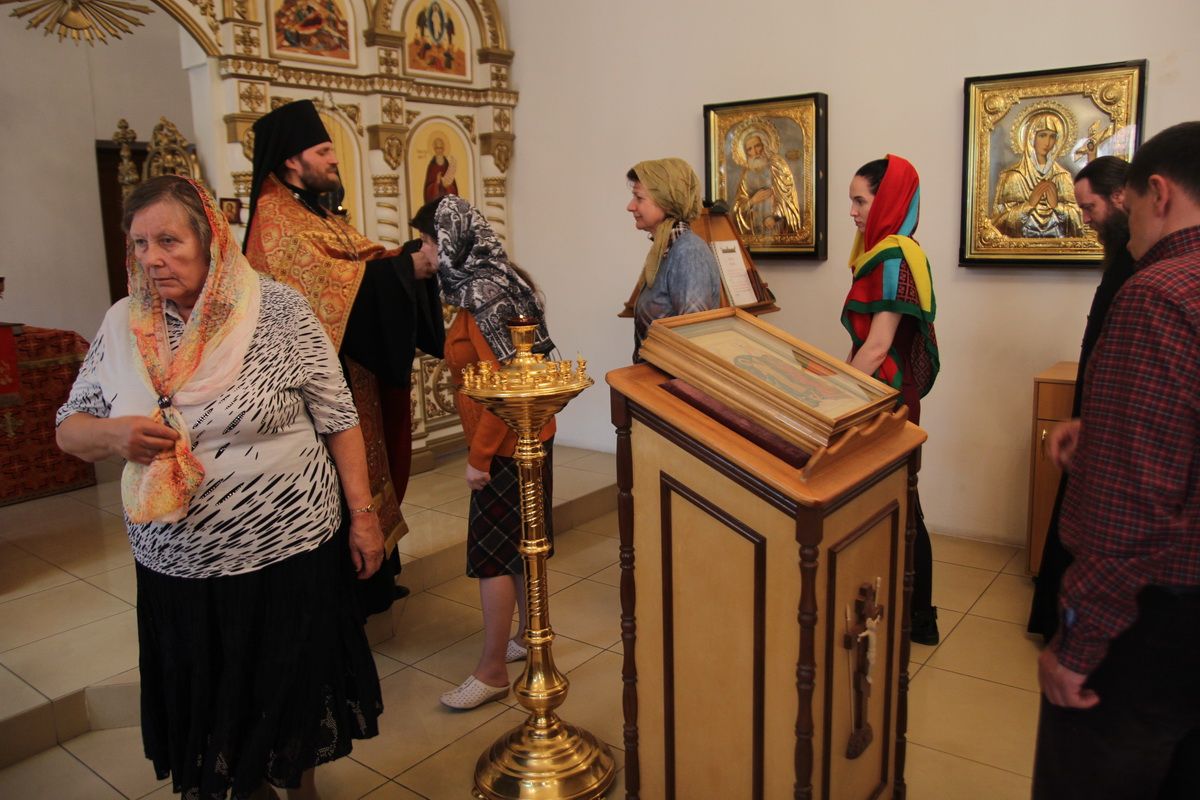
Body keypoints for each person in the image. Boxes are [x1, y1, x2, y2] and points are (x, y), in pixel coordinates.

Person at [55, 176, 384, 800]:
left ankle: (300, 787)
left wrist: (363, 516)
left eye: (169, 241)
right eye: (140, 243)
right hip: (178, 563)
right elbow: (69, 428)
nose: (152, 258)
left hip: (288, 550)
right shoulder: (124, 324)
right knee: (214, 699)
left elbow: (340, 418)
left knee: (290, 687)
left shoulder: (277, 310)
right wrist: (113, 434)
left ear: (209, 239)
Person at [1033, 121, 1200, 800]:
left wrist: (1078, 641)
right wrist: (1102, 425)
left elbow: (1133, 503)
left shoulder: (1159, 294)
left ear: (1158, 192)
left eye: (1125, 201)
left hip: (1156, 618)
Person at [243, 99, 445, 608]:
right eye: (323, 151)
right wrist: (405, 269)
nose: (335, 159)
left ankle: (376, 577)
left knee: (370, 470)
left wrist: (407, 257)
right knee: (338, 482)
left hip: (353, 369)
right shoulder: (274, 218)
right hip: (311, 391)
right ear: (292, 159)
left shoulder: (313, 210)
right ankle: (349, 591)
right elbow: (325, 285)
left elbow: (361, 258)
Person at [408, 195, 556, 710]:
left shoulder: (484, 296)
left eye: (428, 241)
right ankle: (527, 635)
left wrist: (480, 457)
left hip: (508, 444)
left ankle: (492, 669)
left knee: (492, 557)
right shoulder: (499, 282)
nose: (426, 252)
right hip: (528, 437)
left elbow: (506, 387)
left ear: (452, 241)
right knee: (520, 546)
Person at [1027, 155, 1137, 639]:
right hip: (1091, 405)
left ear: (1121, 197)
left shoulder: (1143, 262)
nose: (1086, 219)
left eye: (1090, 208)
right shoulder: (1124, 253)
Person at [844, 155, 940, 644]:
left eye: (861, 201)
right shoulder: (889, 252)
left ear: (888, 201)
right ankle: (906, 612)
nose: (854, 212)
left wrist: (834, 393)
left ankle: (919, 618)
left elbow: (877, 347)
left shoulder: (895, 257)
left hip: (886, 399)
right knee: (897, 505)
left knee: (903, 506)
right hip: (882, 393)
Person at [625, 158, 722, 361]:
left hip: (669, 381)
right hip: (652, 378)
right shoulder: (666, 249)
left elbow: (693, 343)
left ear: (666, 201)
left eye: (639, 198)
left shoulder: (689, 253)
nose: (630, 206)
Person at [993, 109, 1084, 238]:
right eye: (1042, 135)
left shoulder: (1062, 177)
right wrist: (1029, 205)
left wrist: (1057, 207)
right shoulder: (1013, 176)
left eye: (1052, 136)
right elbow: (998, 223)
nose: (1047, 142)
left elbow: (1079, 220)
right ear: (1031, 137)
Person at [731, 122, 803, 237]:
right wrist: (752, 201)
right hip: (755, 229)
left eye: (757, 146)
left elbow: (787, 199)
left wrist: (775, 217)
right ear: (746, 153)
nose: (755, 152)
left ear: (764, 144)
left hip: (777, 227)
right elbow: (738, 206)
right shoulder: (746, 174)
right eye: (749, 149)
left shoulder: (777, 165)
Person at [423, 137, 459, 202]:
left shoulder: (447, 166)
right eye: (437, 148)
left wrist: (448, 186)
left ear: (443, 149)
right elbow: (427, 191)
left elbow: (454, 190)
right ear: (434, 149)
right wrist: (436, 183)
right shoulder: (432, 167)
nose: (439, 151)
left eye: (441, 148)